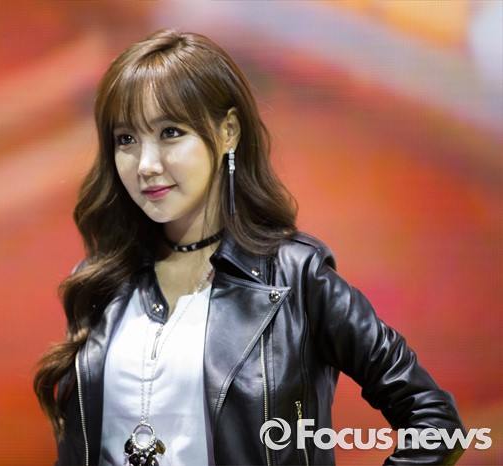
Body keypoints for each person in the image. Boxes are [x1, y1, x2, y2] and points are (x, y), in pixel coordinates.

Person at [34, 29, 464, 465]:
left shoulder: (295, 277)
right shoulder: (101, 282)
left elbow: (435, 424)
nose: (145, 164)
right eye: (126, 139)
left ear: (228, 132)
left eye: (170, 132)